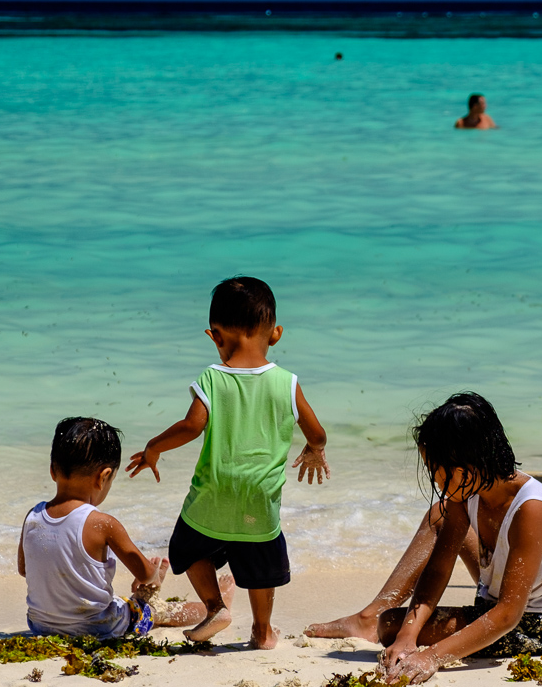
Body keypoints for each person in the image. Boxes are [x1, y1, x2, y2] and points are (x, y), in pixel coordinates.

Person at [306, 392, 542, 685]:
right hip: (497, 601)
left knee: (390, 624)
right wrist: (408, 636)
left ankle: (377, 623)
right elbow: (439, 568)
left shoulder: (531, 509)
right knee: (437, 517)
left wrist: (432, 656)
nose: (436, 480)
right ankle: (369, 618)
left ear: (461, 467)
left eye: (434, 470)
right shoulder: (468, 490)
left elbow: (507, 614)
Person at [127, 276, 330, 649]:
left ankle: (214, 606)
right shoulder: (286, 382)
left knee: (187, 548)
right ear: (276, 334)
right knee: (260, 567)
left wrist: (154, 448)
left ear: (215, 336)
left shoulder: (212, 378)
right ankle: (263, 632)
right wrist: (314, 450)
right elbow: (317, 432)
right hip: (260, 498)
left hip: (214, 493)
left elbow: (192, 426)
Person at [18, 417, 221, 638]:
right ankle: (215, 609)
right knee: (160, 611)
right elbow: (143, 573)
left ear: (52, 471)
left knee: (121, 602)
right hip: (99, 627)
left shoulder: (33, 516)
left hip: (40, 625)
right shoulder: (103, 524)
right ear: (103, 477)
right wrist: (154, 574)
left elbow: (24, 569)